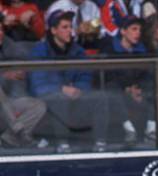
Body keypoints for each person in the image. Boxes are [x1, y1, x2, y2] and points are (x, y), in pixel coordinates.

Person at [29, 10, 109, 152]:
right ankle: (62, 144)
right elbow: (38, 84)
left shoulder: (78, 51)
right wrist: (61, 89)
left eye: (70, 27)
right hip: (50, 99)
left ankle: (100, 143)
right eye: (64, 27)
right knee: (59, 99)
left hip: (76, 96)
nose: (70, 31)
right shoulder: (39, 51)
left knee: (100, 98)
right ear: (53, 30)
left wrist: (79, 88)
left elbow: (86, 76)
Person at [100, 15, 156, 144]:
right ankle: (129, 130)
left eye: (139, 30)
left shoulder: (143, 50)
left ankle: (151, 129)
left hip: (138, 92)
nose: (138, 33)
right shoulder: (110, 50)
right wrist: (127, 89)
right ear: (123, 31)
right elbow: (108, 76)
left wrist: (138, 89)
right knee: (111, 88)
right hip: (119, 93)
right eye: (134, 29)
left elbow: (147, 74)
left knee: (154, 84)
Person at [0, 14, 46, 147]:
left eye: (1, 29)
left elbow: (23, 59)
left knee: (37, 106)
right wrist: (4, 75)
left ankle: (8, 139)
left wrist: (20, 68)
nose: (0, 33)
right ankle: (21, 133)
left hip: (7, 104)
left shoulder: (9, 46)